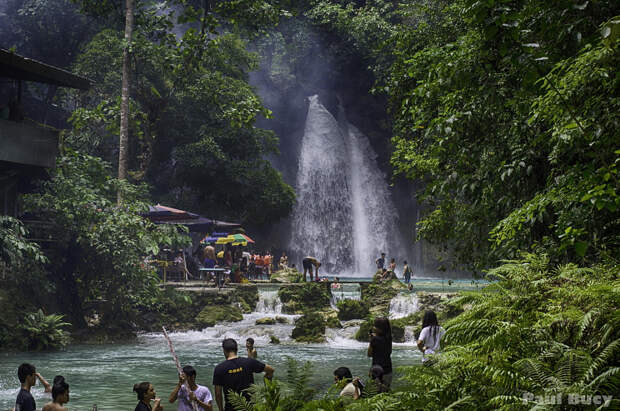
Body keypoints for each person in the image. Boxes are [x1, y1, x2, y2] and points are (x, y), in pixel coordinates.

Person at [213, 338, 274, 411]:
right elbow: (271, 370)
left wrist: (220, 409)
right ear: (237, 349)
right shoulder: (249, 362)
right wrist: (267, 382)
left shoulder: (219, 369)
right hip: (250, 408)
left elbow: (218, 394)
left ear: (224, 350)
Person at [367, 317, 393, 387]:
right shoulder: (389, 338)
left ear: (380, 328)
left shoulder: (374, 339)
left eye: (375, 326)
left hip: (377, 371)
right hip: (388, 370)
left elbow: (369, 354)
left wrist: (371, 341)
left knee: (376, 393)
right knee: (386, 392)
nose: (373, 328)